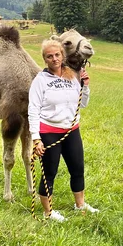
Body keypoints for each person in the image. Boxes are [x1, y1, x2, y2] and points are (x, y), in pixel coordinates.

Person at [28, 39, 98, 222]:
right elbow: (33, 110)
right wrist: (36, 139)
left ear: (62, 55)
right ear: (45, 59)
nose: (54, 59)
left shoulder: (72, 77)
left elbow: (83, 103)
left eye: (57, 55)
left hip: (72, 131)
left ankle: (80, 204)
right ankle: (48, 212)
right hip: (49, 131)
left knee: (77, 169)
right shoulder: (40, 81)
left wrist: (86, 86)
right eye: (49, 56)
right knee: (49, 173)